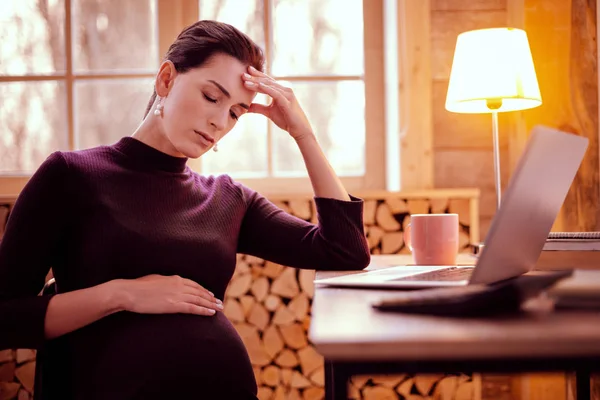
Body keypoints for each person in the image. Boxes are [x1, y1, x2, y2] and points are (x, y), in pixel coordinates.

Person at [0, 20, 370, 399]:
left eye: (235, 113)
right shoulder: (71, 175)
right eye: (212, 97)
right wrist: (121, 294)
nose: (219, 122)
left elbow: (345, 249)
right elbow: (5, 317)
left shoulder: (228, 199)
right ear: (166, 79)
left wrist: (302, 133)